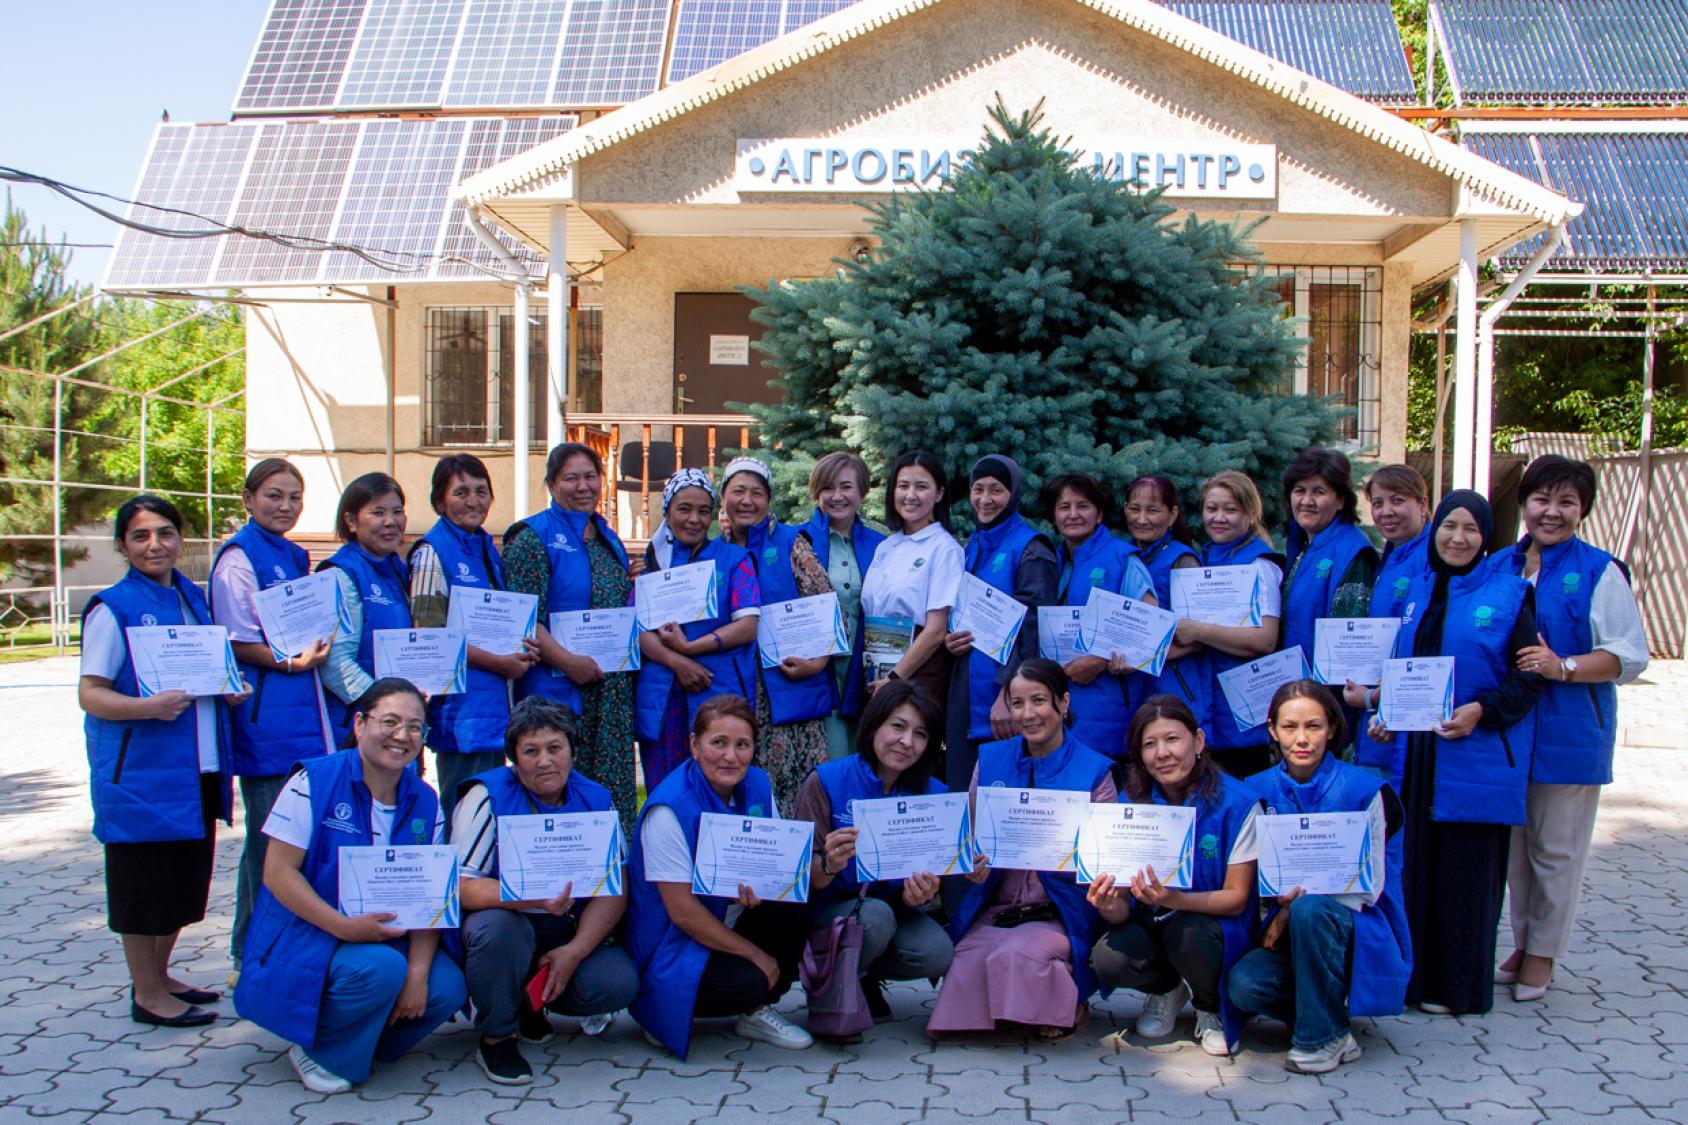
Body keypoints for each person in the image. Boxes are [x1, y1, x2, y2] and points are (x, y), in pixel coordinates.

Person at [233, 679, 466, 1093]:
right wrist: (344, 927)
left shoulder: (426, 800)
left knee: (445, 986)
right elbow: (277, 873)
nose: (402, 736)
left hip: (383, 934)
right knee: (381, 969)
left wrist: (418, 972)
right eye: (389, 721)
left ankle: (361, 1042)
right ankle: (316, 1046)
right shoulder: (314, 781)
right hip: (314, 931)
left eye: (415, 727)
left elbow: (432, 897)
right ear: (359, 724)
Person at [1361, 491, 1544, 1016]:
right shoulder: (1418, 591)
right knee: (1416, 868)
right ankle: (1416, 982)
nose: (1457, 539)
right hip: (1416, 759)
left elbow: (1528, 679)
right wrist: (1386, 716)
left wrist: (1480, 712)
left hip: (1473, 757)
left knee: (1465, 873)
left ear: (1486, 537)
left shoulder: (1511, 594)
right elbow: (1403, 672)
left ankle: (1459, 988)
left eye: (1470, 529)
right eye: (1448, 527)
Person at [80, 495, 250, 1027]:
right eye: (140, 536)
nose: (155, 544)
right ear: (123, 546)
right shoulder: (114, 608)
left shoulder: (192, 598)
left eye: (165, 533)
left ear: (181, 538)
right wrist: (145, 708)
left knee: (182, 880)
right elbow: (91, 693)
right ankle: (147, 993)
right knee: (143, 885)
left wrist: (227, 690)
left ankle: (161, 974)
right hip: (142, 772)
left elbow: (205, 670)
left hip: (195, 767)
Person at [1491, 456, 1648, 1003]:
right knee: (1516, 851)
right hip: (1509, 735)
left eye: (1566, 503)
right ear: (1525, 503)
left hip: (1570, 732)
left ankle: (1544, 954)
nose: (1551, 512)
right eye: (1541, 500)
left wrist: (1565, 666)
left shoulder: (1602, 571)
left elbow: (1629, 656)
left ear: (1582, 511)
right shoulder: (1502, 566)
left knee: (1555, 851)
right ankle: (1522, 942)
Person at [453, 697, 639, 1084]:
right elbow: (462, 886)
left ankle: (529, 1003)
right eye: (531, 751)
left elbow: (614, 888)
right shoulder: (486, 797)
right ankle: (496, 1036)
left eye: (555, 748)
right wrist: (531, 895)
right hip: (504, 924)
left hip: (563, 929)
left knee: (616, 984)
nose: (544, 761)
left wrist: (575, 951)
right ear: (513, 758)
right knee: (499, 931)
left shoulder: (596, 799)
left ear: (572, 751)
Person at [1228, 680, 1410, 1075]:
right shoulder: (1254, 789)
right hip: (1284, 934)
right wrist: (1279, 913)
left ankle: (1319, 1038)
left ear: (1332, 728)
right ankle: (1334, 1024)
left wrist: (1291, 910)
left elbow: (1373, 886)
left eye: (1313, 726)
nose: (1302, 739)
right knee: (1244, 985)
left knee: (1310, 909)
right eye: (1290, 727)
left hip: (1351, 929)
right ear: (1273, 730)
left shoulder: (1366, 790)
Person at [928, 660, 1113, 1042]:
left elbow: (1106, 859)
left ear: (1063, 703)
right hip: (1000, 906)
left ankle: (1072, 1000)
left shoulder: (1094, 770)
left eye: (1039, 700)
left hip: (1061, 908)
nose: (1028, 714)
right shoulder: (991, 759)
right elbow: (972, 840)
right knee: (967, 962)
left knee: (1017, 954)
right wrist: (972, 868)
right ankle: (1023, 1002)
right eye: (1017, 703)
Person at [625, 694, 813, 1058]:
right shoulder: (669, 808)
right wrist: (754, 954)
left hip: (726, 915)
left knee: (799, 901)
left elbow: (776, 862)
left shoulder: (758, 783)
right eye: (718, 743)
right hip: (672, 941)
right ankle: (659, 1010)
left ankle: (754, 1011)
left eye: (742, 745)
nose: (731, 756)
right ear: (694, 746)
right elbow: (680, 911)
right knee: (751, 978)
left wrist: (767, 886)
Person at [210, 459, 335, 976]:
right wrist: (289, 661)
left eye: (294, 498)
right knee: (267, 844)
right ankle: (247, 953)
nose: (285, 507)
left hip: (306, 716)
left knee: (303, 841)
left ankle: (286, 948)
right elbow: (236, 639)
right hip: (268, 720)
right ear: (248, 499)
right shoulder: (239, 558)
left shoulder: (293, 554)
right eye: (273, 496)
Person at [1088, 695, 1260, 1057]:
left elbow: (1236, 899)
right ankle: (1166, 989)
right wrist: (1107, 905)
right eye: (1149, 744)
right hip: (1153, 925)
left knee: (1190, 933)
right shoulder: (1130, 802)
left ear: (1198, 742)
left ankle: (1208, 1006)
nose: (1162, 753)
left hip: (1210, 930)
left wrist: (1172, 899)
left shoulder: (1238, 802)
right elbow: (1121, 909)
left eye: (1172, 739)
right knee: (1108, 957)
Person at [796, 679, 956, 1030]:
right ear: (873, 725)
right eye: (897, 726)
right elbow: (801, 878)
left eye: (920, 734)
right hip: (829, 913)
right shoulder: (826, 780)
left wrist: (921, 894)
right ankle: (826, 981)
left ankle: (861, 974)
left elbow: (921, 882)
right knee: (875, 916)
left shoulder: (935, 795)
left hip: (888, 912)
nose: (906, 742)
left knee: (937, 951)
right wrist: (830, 863)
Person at [502, 442, 637, 833]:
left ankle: (612, 880)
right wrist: (568, 662)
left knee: (607, 792)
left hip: (608, 691)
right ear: (550, 484)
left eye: (590, 477)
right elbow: (525, 618)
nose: (583, 486)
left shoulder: (607, 537)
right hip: (557, 691)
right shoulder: (531, 538)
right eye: (570, 478)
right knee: (557, 789)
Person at [408, 454, 539, 818]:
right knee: (465, 818)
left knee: (488, 818)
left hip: (496, 710)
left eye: (482, 491)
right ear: (439, 501)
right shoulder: (432, 553)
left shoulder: (487, 549)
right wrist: (500, 662)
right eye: (461, 492)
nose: (473, 501)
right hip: (463, 713)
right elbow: (430, 637)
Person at [720, 456, 836, 814]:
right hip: (736, 690)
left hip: (790, 690)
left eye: (757, 492)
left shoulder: (790, 543)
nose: (747, 500)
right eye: (738, 490)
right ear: (723, 496)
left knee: (796, 797)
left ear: (768, 499)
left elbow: (827, 610)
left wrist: (816, 664)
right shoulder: (713, 552)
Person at [635, 468, 760, 795]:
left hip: (716, 687)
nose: (694, 519)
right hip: (663, 698)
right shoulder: (653, 564)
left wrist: (691, 649)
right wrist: (678, 663)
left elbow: (747, 626)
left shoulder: (734, 559)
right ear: (668, 512)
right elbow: (638, 629)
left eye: (703, 511)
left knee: (719, 785)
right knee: (664, 789)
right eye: (684, 509)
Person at [944, 455, 1058, 794]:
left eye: (996, 490)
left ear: (1014, 494)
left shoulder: (1031, 548)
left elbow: (1033, 631)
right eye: (978, 489)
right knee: (964, 797)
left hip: (1003, 698)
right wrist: (950, 639)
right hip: (965, 692)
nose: (985, 499)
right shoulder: (971, 545)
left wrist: (1008, 693)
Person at [1041, 472, 1154, 760]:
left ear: (1099, 514)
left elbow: (1151, 632)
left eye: (1083, 506)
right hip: (1062, 710)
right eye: (1064, 507)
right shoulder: (1052, 562)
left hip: (1110, 708)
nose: (1073, 514)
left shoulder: (1122, 559)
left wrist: (1100, 662)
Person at [1182, 471, 1284, 777]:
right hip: (1211, 704)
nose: (1219, 518)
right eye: (1211, 509)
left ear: (1250, 513)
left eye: (1230, 509)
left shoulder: (1259, 565)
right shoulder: (1208, 558)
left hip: (1244, 712)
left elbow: (1266, 639)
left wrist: (1199, 631)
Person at [1344, 464, 1432, 786]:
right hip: (1378, 717)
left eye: (1397, 500)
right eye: (1377, 503)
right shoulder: (1391, 555)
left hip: (1401, 720)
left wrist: (1374, 698)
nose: (1386, 512)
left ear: (1423, 504)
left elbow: (1423, 648)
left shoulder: (1430, 559)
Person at [797, 451, 885, 761]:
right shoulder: (799, 542)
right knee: (831, 763)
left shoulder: (881, 546)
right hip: (820, 677)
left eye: (846, 487)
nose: (837, 496)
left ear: (862, 490)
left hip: (868, 674)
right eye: (827, 488)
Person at [859, 450, 963, 706]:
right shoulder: (886, 546)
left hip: (917, 674)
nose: (910, 495)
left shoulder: (944, 549)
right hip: (876, 669)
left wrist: (895, 679)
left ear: (939, 494)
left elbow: (936, 630)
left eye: (921, 486)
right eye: (903, 486)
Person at [317, 473, 412, 747]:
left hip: (397, 720)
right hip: (359, 725)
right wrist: (385, 705)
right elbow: (335, 663)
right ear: (351, 521)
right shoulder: (339, 574)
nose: (390, 521)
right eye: (378, 512)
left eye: (397, 512)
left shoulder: (397, 569)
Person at [1279, 448, 1378, 670]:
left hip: (1326, 693)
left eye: (1319, 492)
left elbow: (1349, 641)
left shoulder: (1352, 551)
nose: (1306, 500)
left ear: (1340, 500)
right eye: (1299, 490)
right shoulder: (1306, 545)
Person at [1122, 475, 1209, 726]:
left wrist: (1141, 658)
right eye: (1134, 509)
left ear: (1172, 515)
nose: (1141, 519)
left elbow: (1199, 639)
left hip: (1174, 684)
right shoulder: (1122, 556)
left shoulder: (1183, 561)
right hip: (1131, 687)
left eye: (1153, 510)